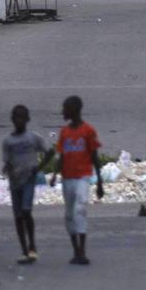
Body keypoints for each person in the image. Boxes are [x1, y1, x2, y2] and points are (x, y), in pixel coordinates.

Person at [51, 95, 103, 265]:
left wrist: (99, 182)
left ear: (74, 110)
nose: (62, 112)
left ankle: (82, 250)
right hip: (67, 178)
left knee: (79, 209)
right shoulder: (64, 133)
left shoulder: (88, 131)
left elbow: (95, 156)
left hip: (83, 176)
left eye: (65, 109)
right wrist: (54, 175)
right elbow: (62, 156)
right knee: (69, 214)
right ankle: (76, 250)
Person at [0, 104, 49, 264]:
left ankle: (32, 246)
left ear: (27, 119)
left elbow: (49, 152)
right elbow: (7, 161)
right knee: (18, 216)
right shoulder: (8, 141)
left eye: (22, 117)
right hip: (15, 182)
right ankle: (24, 250)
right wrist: (7, 168)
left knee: (26, 210)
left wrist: (39, 168)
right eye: (16, 117)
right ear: (12, 119)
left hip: (29, 179)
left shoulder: (33, 138)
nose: (19, 121)